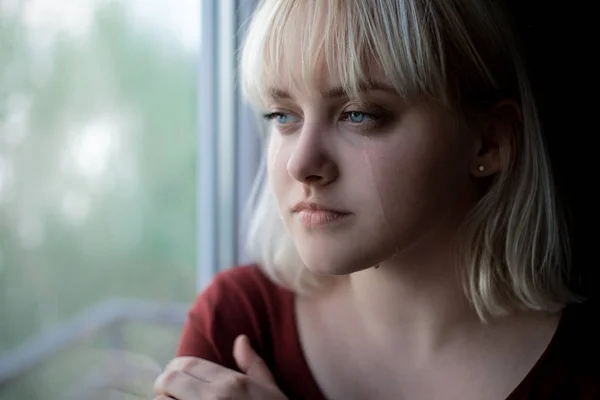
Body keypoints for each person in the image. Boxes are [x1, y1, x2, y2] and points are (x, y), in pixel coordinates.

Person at [153, 0, 599, 399]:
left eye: (359, 114)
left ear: (489, 142)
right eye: (283, 115)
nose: (301, 163)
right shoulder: (237, 323)